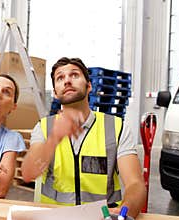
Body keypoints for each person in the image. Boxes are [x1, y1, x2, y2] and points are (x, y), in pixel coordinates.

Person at [21, 57, 146, 218]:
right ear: (55, 93)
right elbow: (28, 173)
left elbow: (135, 184)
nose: (67, 80)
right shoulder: (44, 128)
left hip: (103, 217)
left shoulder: (116, 127)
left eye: (74, 75)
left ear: (89, 87)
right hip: (55, 216)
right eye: (60, 78)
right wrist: (54, 139)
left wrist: (124, 212)